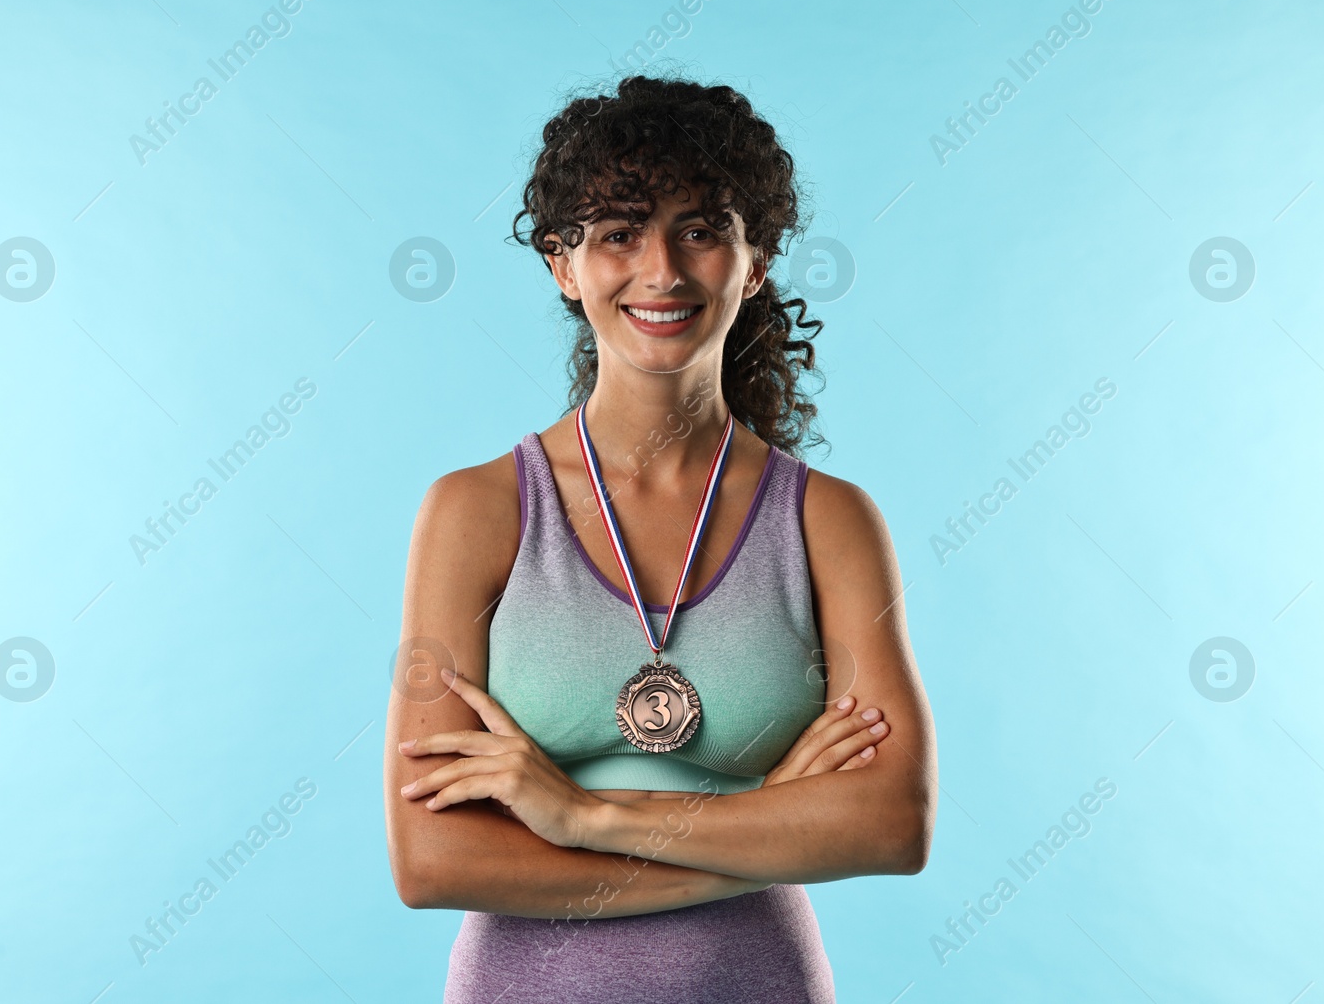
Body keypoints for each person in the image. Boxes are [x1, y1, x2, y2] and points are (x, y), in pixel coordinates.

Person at [384, 75, 936, 1003]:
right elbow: (432, 857)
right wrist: (765, 824)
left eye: (702, 228)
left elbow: (891, 822)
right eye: (618, 232)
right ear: (564, 264)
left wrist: (579, 812)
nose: (662, 271)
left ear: (754, 260)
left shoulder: (828, 521)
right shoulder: (477, 512)